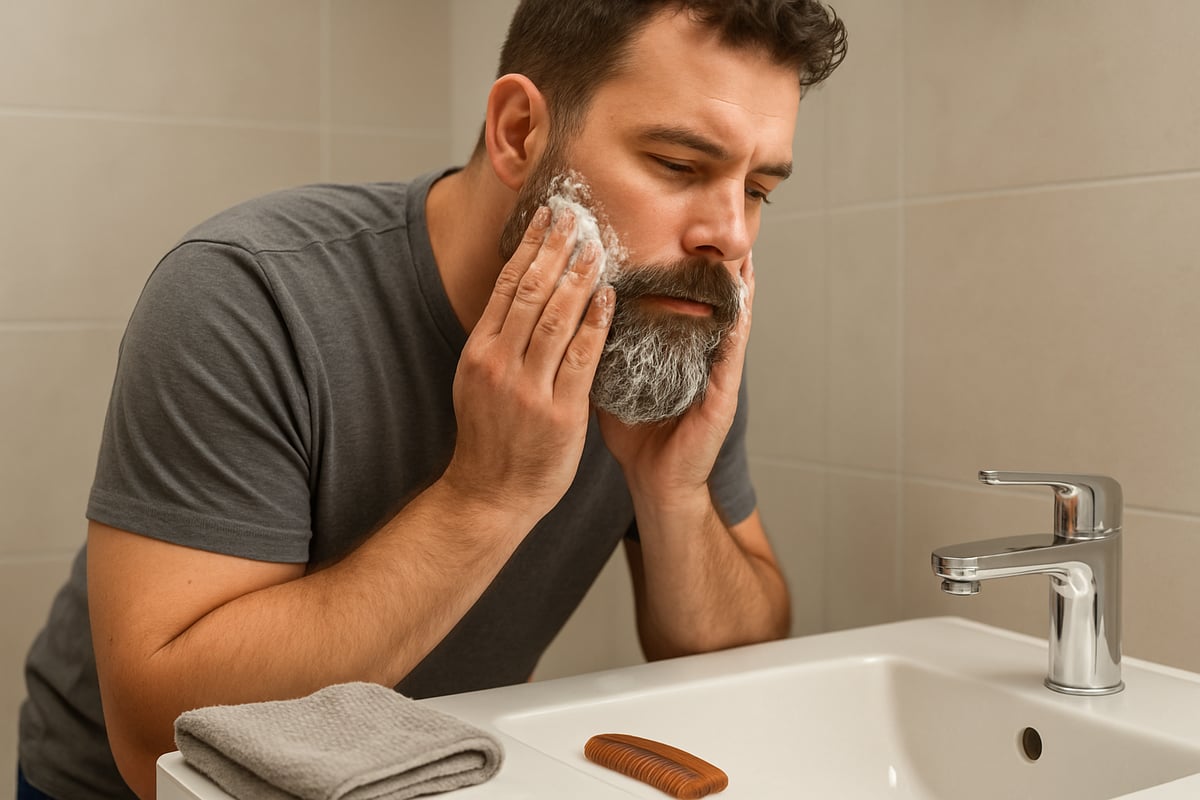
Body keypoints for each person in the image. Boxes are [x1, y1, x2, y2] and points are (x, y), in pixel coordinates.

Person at [16, 1, 846, 797]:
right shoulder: (248, 294)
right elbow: (160, 740)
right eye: (678, 165)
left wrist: (675, 497)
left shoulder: (654, 315)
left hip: (423, 776)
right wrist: (488, 497)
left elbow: (738, 661)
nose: (730, 233)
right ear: (521, 132)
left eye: (759, 189)